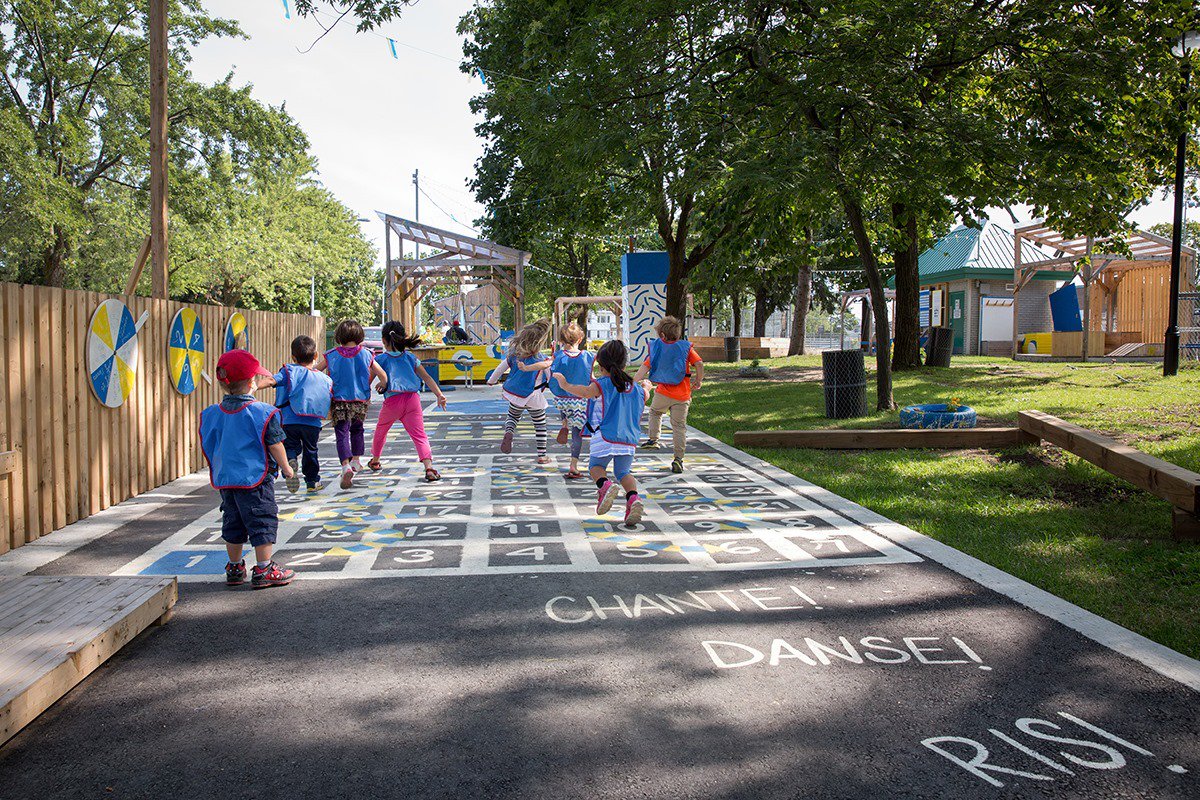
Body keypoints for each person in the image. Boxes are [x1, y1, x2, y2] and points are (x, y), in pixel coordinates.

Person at [199, 349, 296, 589]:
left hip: (227, 480)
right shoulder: (261, 412)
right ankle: (264, 569)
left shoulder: (212, 414)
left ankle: (234, 566)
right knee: (262, 520)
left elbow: (210, 442)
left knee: (232, 521)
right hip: (255, 479)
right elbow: (275, 444)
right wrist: (286, 468)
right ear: (253, 382)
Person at [553, 339, 647, 526]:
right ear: (624, 363)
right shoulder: (634, 387)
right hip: (628, 439)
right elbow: (645, 395)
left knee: (596, 467)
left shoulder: (602, 383)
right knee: (623, 472)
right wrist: (647, 387)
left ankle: (605, 485)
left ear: (601, 364)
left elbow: (586, 392)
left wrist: (565, 385)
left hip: (604, 435)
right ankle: (633, 498)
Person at [370, 321, 447, 482]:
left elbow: (367, 380)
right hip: (413, 400)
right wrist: (439, 395)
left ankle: (375, 460)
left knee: (381, 430)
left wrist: (364, 397)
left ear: (384, 341)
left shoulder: (380, 359)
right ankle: (429, 467)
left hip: (392, 401)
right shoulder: (411, 358)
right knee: (420, 435)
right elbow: (426, 377)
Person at [317, 319, 387, 490]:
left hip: (339, 400)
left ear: (339, 336)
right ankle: (356, 460)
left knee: (341, 433)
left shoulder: (331, 355)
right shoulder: (366, 354)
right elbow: (382, 374)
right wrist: (383, 384)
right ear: (359, 336)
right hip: (360, 400)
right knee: (357, 429)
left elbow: (315, 371)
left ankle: (345, 465)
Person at [634, 315, 703, 473]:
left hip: (663, 393)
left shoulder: (657, 349)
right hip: (683, 395)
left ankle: (653, 439)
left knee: (655, 412)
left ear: (662, 336)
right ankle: (678, 458)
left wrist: (632, 382)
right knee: (679, 426)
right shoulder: (686, 349)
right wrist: (699, 380)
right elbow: (699, 363)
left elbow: (644, 368)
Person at [268, 335, 333, 493]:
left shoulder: (289, 372)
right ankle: (312, 482)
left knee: (290, 446)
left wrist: (255, 385)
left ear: (293, 357)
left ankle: (290, 462)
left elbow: (272, 381)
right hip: (312, 423)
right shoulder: (324, 378)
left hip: (289, 420)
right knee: (311, 450)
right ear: (316, 355)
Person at [487, 318, 552, 464]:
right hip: (534, 396)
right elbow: (550, 376)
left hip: (517, 395)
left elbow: (500, 369)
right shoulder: (542, 360)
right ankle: (542, 455)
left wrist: (491, 381)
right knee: (540, 425)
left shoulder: (513, 356)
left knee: (513, 417)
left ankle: (509, 431)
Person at [547, 322, 594, 479]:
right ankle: (573, 465)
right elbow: (591, 377)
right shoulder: (587, 356)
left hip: (562, 398)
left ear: (561, 340)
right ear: (580, 339)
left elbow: (550, 373)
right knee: (577, 433)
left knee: (564, 405)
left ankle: (564, 422)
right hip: (579, 399)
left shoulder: (558, 356)